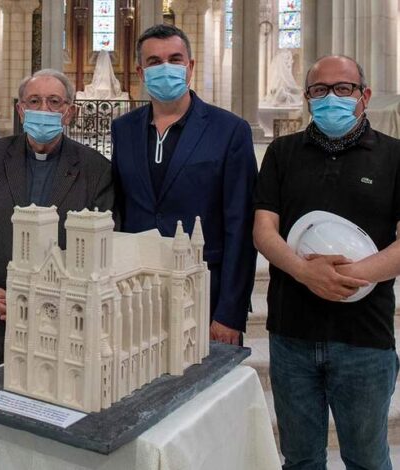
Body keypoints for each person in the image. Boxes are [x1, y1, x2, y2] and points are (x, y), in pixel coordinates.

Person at [254, 55, 400, 469]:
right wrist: (304, 272)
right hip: (291, 335)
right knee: (299, 460)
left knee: (367, 459)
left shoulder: (394, 156)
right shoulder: (282, 153)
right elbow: (264, 231)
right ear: (307, 99)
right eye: (320, 91)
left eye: (343, 89)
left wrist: (342, 277)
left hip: (365, 339)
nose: (331, 98)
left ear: (364, 96)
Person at [0, 68, 114, 375]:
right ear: (21, 110)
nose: (43, 110)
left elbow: (105, 249)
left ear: (69, 112)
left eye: (54, 102)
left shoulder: (95, 169)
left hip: (65, 324)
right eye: (34, 101)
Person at [111, 24, 257, 345]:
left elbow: (241, 225)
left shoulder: (229, 130)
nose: (165, 68)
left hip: (206, 292)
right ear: (141, 71)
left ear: (190, 67)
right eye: (154, 62)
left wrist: (229, 313)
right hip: (138, 292)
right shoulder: (123, 129)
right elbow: (120, 211)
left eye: (175, 59)